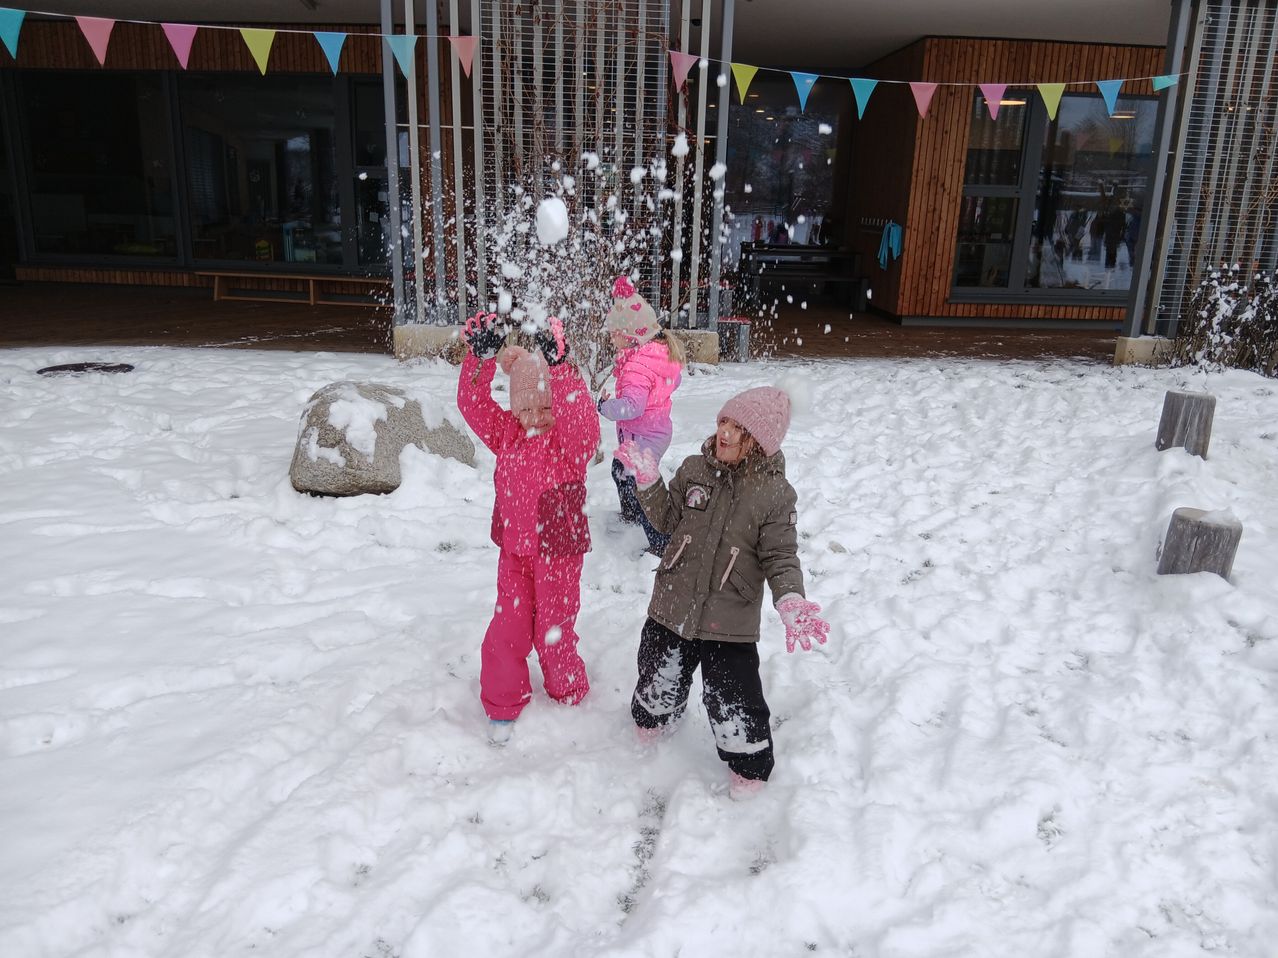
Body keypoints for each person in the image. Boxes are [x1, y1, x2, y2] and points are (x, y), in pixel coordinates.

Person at [616, 386, 830, 799]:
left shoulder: (773, 494)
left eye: (740, 429)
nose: (726, 434)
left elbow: (781, 556)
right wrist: (648, 482)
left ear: (761, 441)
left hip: (728, 617)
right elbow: (665, 520)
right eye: (723, 423)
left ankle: (748, 764)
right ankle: (652, 720)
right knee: (658, 670)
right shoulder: (696, 468)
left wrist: (790, 597)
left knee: (732, 694)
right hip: (674, 601)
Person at [456, 311, 601, 745]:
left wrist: (561, 371)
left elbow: (583, 423)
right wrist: (479, 360)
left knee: (553, 631)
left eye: (543, 405)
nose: (535, 414)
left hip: (559, 552)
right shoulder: (507, 434)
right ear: (514, 406)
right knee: (508, 626)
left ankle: (568, 690)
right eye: (525, 406)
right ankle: (502, 702)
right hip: (515, 551)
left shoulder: (568, 444)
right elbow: (473, 405)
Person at [598, 275, 685, 556]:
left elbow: (632, 407)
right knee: (621, 472)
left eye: (614, 332)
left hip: (644, 435)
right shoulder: (657, 354)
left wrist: (605, 408)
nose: (610, 337)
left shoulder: (637, 366)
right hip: (654, 431)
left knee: (640, 484)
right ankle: (634, 517)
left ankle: (659, 542)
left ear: (631, 334)